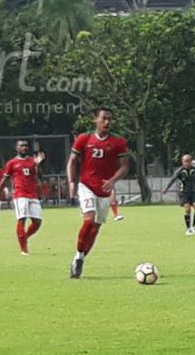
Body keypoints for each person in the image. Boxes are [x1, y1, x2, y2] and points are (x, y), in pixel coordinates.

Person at [67, 107, 130, 279]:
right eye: (103, 119)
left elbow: (125, 165)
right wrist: (71, 182)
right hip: (86, 186)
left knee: (95, 229)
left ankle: (81, 258)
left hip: (104, 190)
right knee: (89, 220)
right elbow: (72, 161)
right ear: (95, 120)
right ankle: (79, 256)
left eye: (110, 119)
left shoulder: (118, 142)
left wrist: (112, 181)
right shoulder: (84, 139)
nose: (107, 122)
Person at [0, 140, 46, 255]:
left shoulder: (32, 161)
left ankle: (24, 237)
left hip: (33, 194)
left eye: (26, 146)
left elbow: (40, 176)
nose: (24, 147)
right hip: (20, 195)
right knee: (22, 219)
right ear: (16, 148)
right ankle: (23, 248)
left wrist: (38, 164)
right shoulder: (12, 163)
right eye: (21, 146)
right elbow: (4, 180)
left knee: (37, 222)